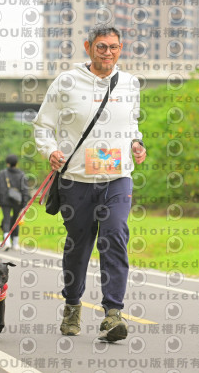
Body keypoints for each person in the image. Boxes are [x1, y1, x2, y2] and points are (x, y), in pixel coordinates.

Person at [33, 24, 147, 342]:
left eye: (113, 47)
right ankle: (72, 304)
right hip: (76, 180)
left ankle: (113, 313)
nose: (107, 52)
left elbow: (132, 124)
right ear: (88, 47)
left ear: (121, 49)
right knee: (78, 246)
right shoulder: (67, 81)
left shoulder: (130, 83)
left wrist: (137, 143)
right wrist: (50, 151)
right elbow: (42, 126)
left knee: (115, 236)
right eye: (101, 46)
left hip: (117, 177)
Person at [0, 154, 30, 251]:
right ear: (16, 163)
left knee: (6, 220)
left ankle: (7, 242)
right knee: (16, 221)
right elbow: (25, 190)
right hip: (18, 202)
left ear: (7, 163)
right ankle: (15, 243)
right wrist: (24, 203)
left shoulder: (2, 174)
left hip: (5, 201)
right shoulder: (22, 174)